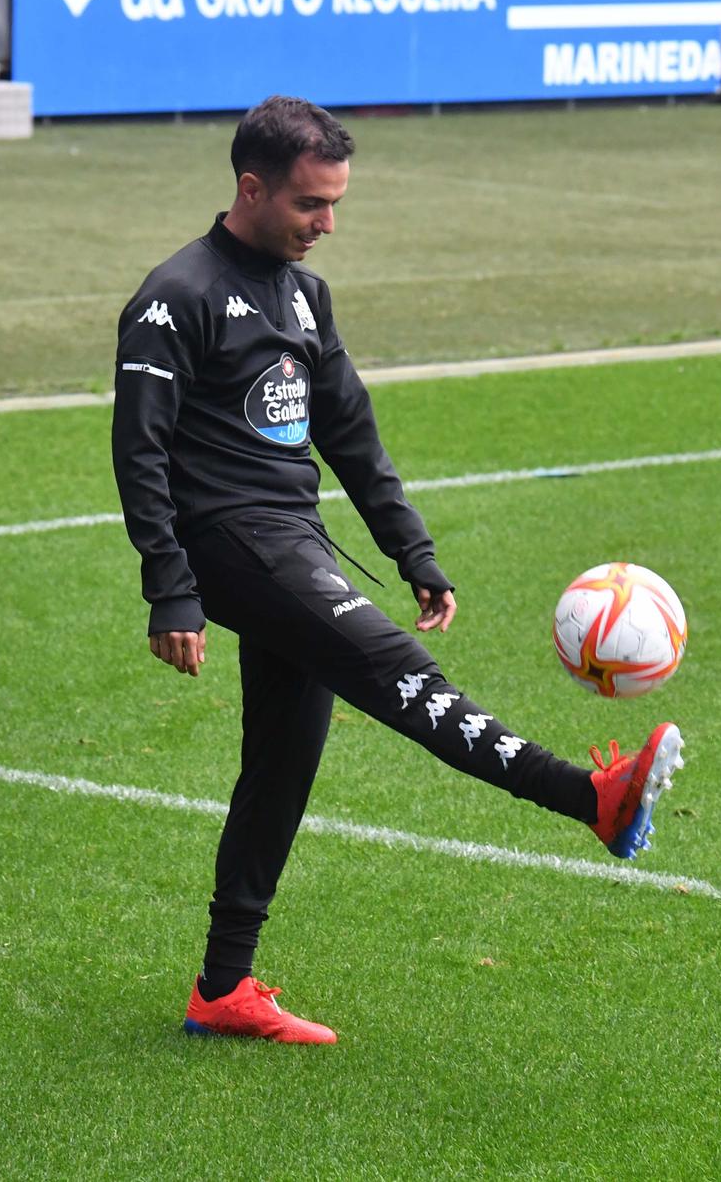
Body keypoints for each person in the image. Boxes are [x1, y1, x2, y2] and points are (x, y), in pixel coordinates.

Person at [111, 95, 685, 1046]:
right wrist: (170, 587)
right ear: (250, 188)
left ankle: (223, 987)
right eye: (310, 205)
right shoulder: (176, 298)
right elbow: (139, 453)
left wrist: (411, 550)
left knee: (283, 763)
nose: (326, 223)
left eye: (336, 203)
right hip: (234, 547)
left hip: (292, 539)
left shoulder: (304, 295)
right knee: (397, 673)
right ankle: (592, 798)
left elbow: (348, 429)